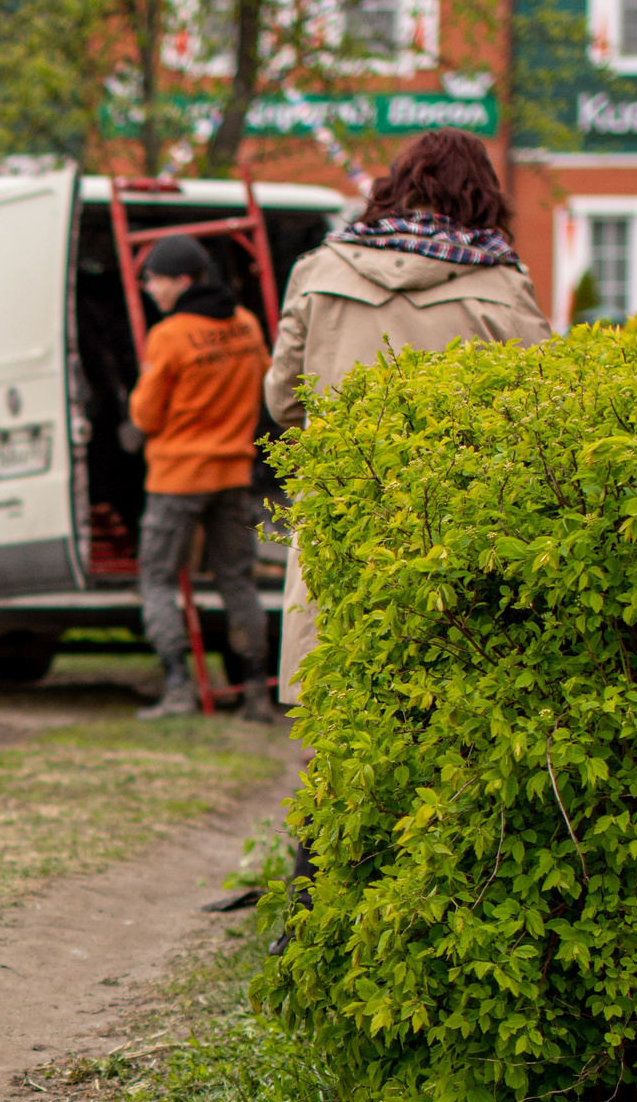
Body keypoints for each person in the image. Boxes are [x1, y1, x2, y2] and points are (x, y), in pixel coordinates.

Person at [264, 127, 551, 704]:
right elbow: (546, 407)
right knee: (452, 702)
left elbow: (283, 400)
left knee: (342, 698)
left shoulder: (320, 270)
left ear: (395, 186)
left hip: (344, 504)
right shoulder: (502, 282)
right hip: (457, 513)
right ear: (482, 194)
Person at [127, 232, 276, 723]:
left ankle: (177, 688)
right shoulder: (246, 325)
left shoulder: (169, 335)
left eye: (156, 280)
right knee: (238, 581)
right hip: (233, 473)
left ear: (184, 280)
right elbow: (266, 387)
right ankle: (255, 692)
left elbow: (146, 416)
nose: (151, 289)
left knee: (156, 579)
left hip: (177, 477)